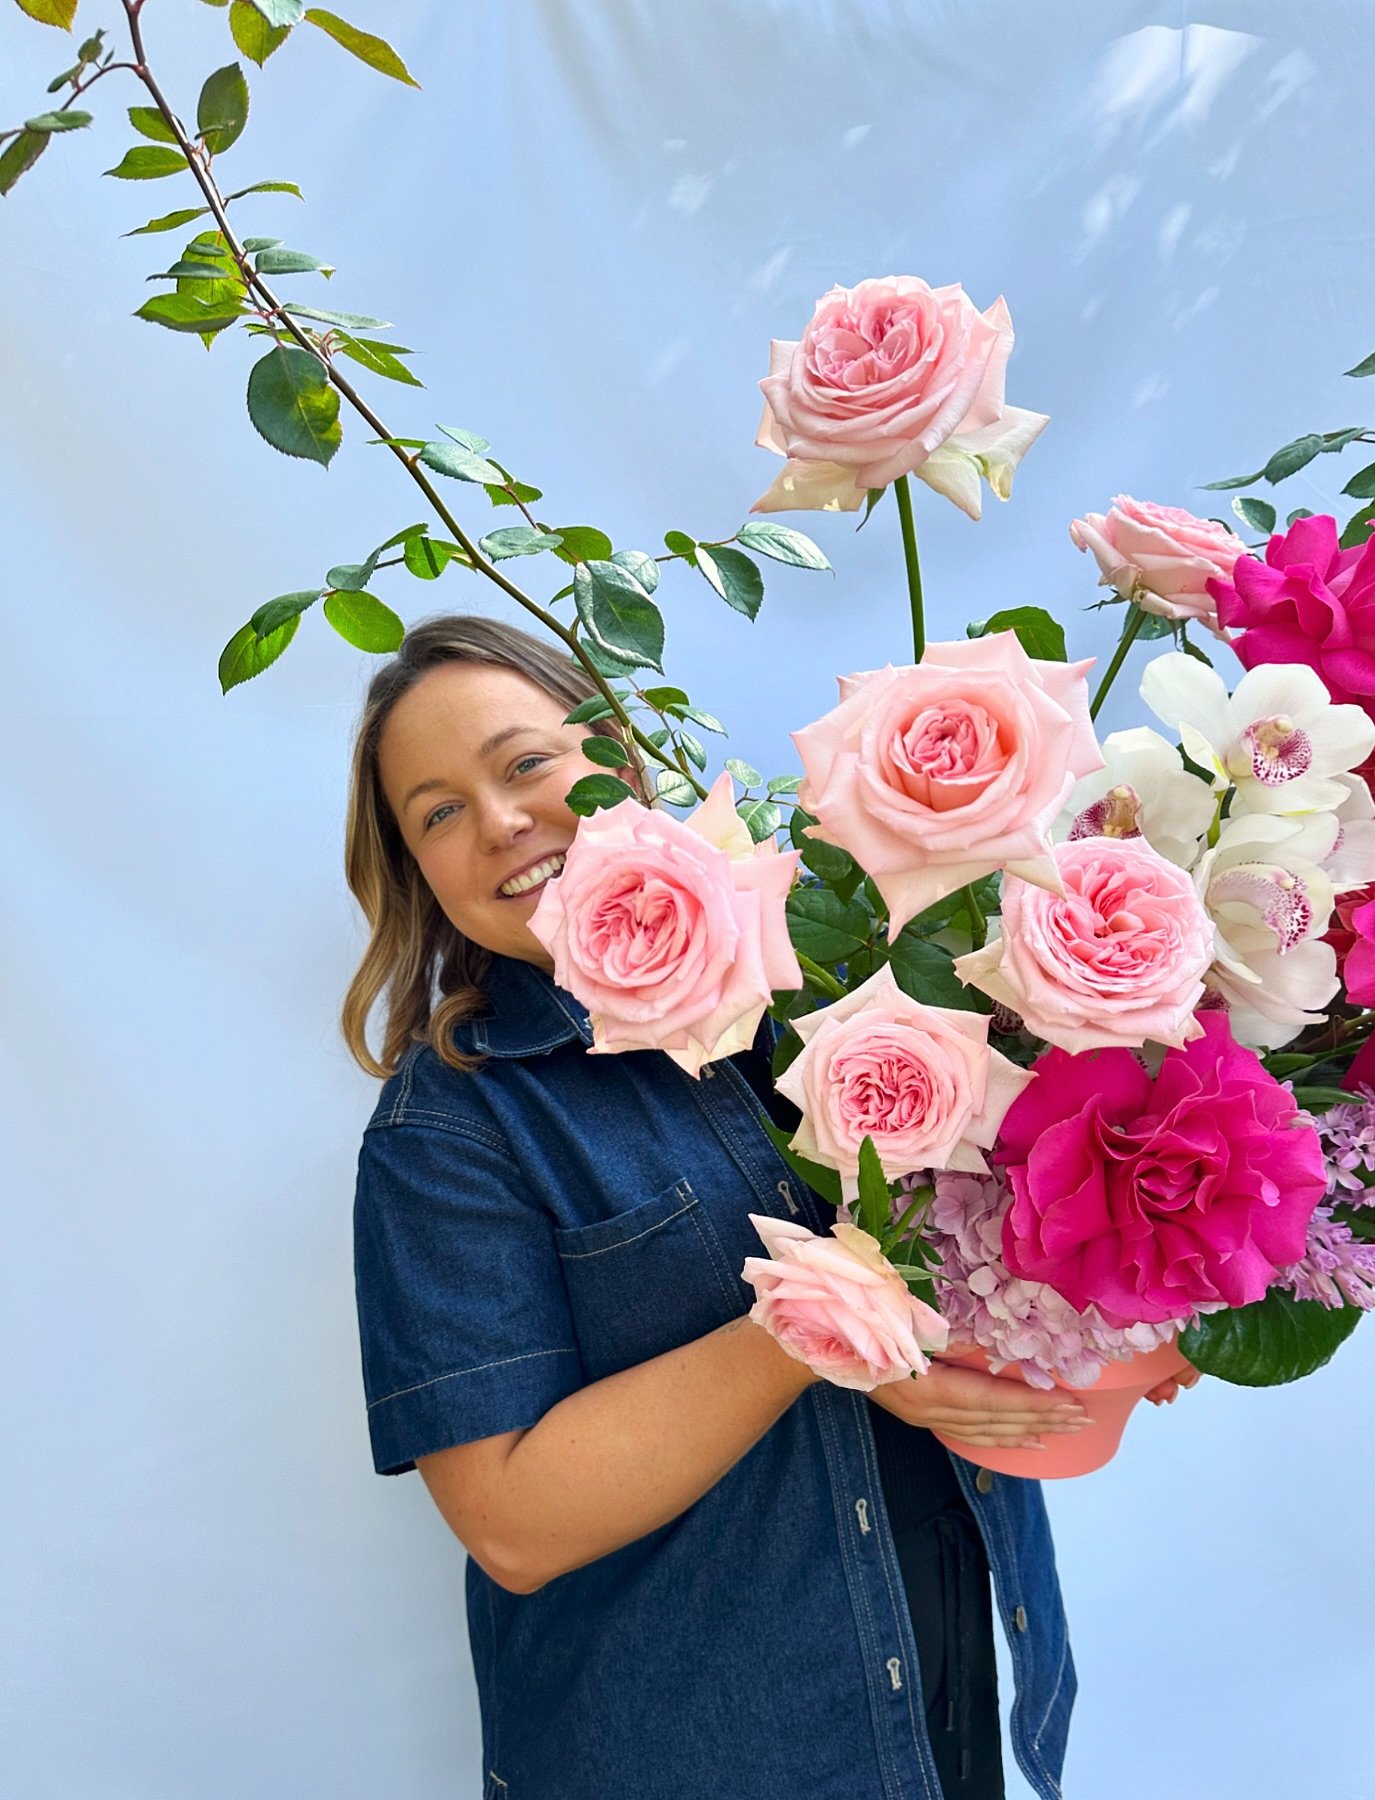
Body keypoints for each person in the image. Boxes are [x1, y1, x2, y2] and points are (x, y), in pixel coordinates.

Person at [345, 613, 1187, 1800]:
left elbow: (995, 1232)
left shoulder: (836, 961)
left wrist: (1126, 1314)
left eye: (524, 763)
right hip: (698, 1754)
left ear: (621, 765)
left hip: (934, 1686)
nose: (497, 822)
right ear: (415, 871)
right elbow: (512, 1522)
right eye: (436, 813)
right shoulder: (453, 1130)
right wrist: (814, 1328)